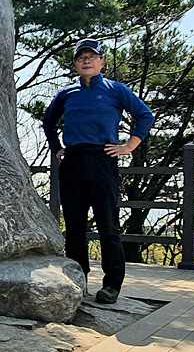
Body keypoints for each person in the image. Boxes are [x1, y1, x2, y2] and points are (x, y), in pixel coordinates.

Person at [42, 38, 154, 304]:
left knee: (108, 225)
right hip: (73, 161)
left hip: (103, 159)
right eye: (81, 57)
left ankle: (112, 284)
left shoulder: (116, 90)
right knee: (74, 226)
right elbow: (48, 121)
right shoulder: (67, 93)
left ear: (102, 62)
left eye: (91, 57)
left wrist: (129, 146)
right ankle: (78, 280)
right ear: (75, 64)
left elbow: (145, 115)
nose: (86, 61)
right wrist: (56, 147)